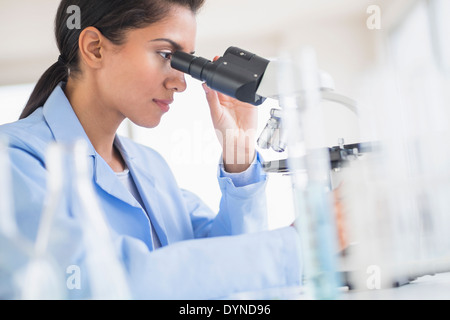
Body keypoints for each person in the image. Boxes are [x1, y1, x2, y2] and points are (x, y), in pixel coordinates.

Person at [0, 0, 302, 299]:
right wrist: (294, 246)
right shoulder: (13, 157)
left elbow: (234, 273)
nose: (180, 83)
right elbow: (92, 282)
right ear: (95, 48)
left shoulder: (150, 166)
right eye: (166, 54)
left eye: (186, 61)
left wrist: (239, 153)